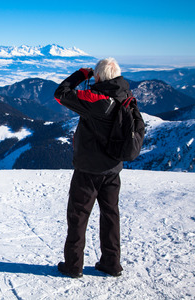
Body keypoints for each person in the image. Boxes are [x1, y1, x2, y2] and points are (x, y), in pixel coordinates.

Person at [54, 58, 131, 278]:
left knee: (78, 217)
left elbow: (60, 93)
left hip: (88, 171)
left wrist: (81, 75)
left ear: (98, 76)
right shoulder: (126, 96)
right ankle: (111, 263)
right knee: (110, 216)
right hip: (113, 170)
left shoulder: (95, 100)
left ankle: (73, 266)